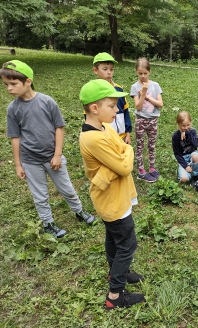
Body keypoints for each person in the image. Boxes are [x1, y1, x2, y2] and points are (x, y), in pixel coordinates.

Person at [0, 60, 97, 238]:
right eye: (6, 85)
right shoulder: (13, 109)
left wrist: (57, 154)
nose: (9, 88)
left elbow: (59, 127)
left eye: (13, 84)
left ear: (28, 81)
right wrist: (18, 165)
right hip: (30, 161)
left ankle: (79, 211)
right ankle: (48, 223)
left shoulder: (46, 101)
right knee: (40, 195)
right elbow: (15, 137)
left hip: (53, 158)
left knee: (67, 188)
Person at [79, 79, 145, 310]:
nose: (117, 110)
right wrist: (126, 152)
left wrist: (121, 153)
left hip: (118, 194)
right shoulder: (93, 138)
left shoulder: (104, 127)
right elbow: (125, 165)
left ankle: (117, 273)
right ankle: (115, 296)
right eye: (112, 105)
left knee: (113, 240)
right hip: (111, 201)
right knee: (127, 244)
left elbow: (120, 150)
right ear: (95, 108)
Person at [130, 57, 163, 183]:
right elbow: (138, 106)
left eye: (145, 73)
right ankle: (141, 171)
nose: (143, 76)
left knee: (151, 145)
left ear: (150, 71)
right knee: (140, 145)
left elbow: (160, 104)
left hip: (153, 120)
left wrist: (148, 97)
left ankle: (152, 168)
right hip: (140, 120)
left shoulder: (155, 86)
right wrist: (143, 93)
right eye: (140, 73)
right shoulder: (134, 87)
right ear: (136, 72)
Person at [92, 52, 132, 144]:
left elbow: (125, 111)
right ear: (95, 70)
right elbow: (89, 116)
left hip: (121, 137)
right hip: (104, 139)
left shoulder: (118, 89)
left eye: (111, 69)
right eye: (105, 69)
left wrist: (128, 134)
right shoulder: (93, 91)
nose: (109, 72)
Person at [172, 111, 198, 183]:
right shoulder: (175, 136)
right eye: (183, 125)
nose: (186, 127)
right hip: (183, 158)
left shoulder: (192, 132)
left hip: (192, 154)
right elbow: (177, 153)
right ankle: (187, 172)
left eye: (188, 125)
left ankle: (196, 175)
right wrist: (185, 166)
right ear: (178, 124)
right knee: (184, 179)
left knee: (195, 156)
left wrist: (187, 133)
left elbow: (196, 145)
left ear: (191, 122)